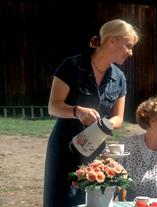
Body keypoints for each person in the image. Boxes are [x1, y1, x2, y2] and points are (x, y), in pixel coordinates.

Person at [43, 19, 139, 207]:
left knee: (93, 200)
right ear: (112, 41)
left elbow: (119, 117)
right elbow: (53, 106)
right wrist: (76, 111)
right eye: (128, 46)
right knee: (60, 199)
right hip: (64, 146)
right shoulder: (72, 65)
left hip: (95, 146)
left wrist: (105, 125)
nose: (131, 52)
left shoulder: (119, 78)